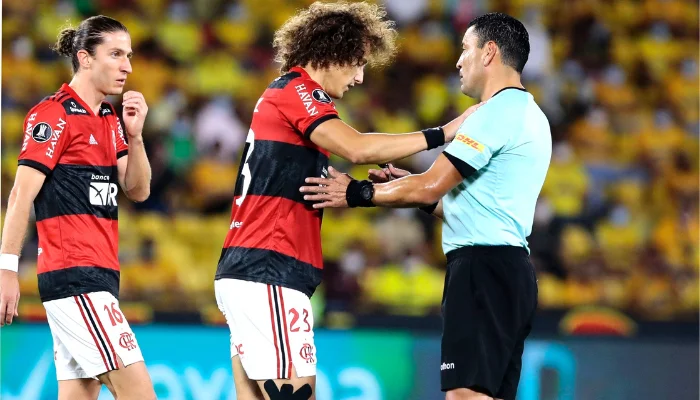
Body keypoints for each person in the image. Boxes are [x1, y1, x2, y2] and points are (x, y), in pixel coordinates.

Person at [213, 2, 481, 399]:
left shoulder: (289, 97)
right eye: (357, 63)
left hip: (255, 269)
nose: (359, 77)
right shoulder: (295, 89)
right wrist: (443, 133)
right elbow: (355, 147)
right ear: (330, 52)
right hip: (268, 268)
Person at [301, 12, 552, 400]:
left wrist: (355, 193)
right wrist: (403, 186)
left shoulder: (493, 113)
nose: (458, 61)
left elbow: (430, 185)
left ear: (489, 53)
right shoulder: (531, 115)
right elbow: (466, 207)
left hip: (481, 272)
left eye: (465, 49)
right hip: (511, 271)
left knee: (463, 395)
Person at [0, 16, 156, 400]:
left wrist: (135, 138)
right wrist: (6, 270)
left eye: (129, 55)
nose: (128, 67)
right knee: (140, 394)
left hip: (99, 277)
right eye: (116, 54)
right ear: (85, 59)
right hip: (76, 279)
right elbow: (21, 195)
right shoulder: (53, 114)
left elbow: (137, 190)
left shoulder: (109, 119)